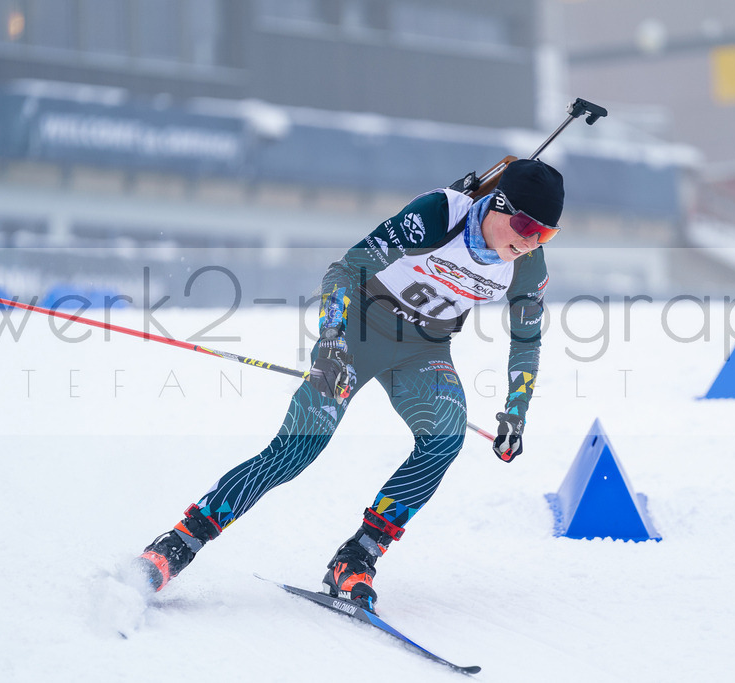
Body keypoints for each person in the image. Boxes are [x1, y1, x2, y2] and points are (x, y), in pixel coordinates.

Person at [134, 159, 564, 612]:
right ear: (497, 205)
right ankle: (179, 543)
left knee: (444, 438)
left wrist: (517, 412)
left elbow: (527, 338)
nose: (532, 240)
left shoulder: (528, 265)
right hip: (357, 332)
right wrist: (333, 343)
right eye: (524, 225)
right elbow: (344, 271)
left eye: (547, 234)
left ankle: (357, 555)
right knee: (297, 450)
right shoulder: (438, 214)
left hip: (423, 352)